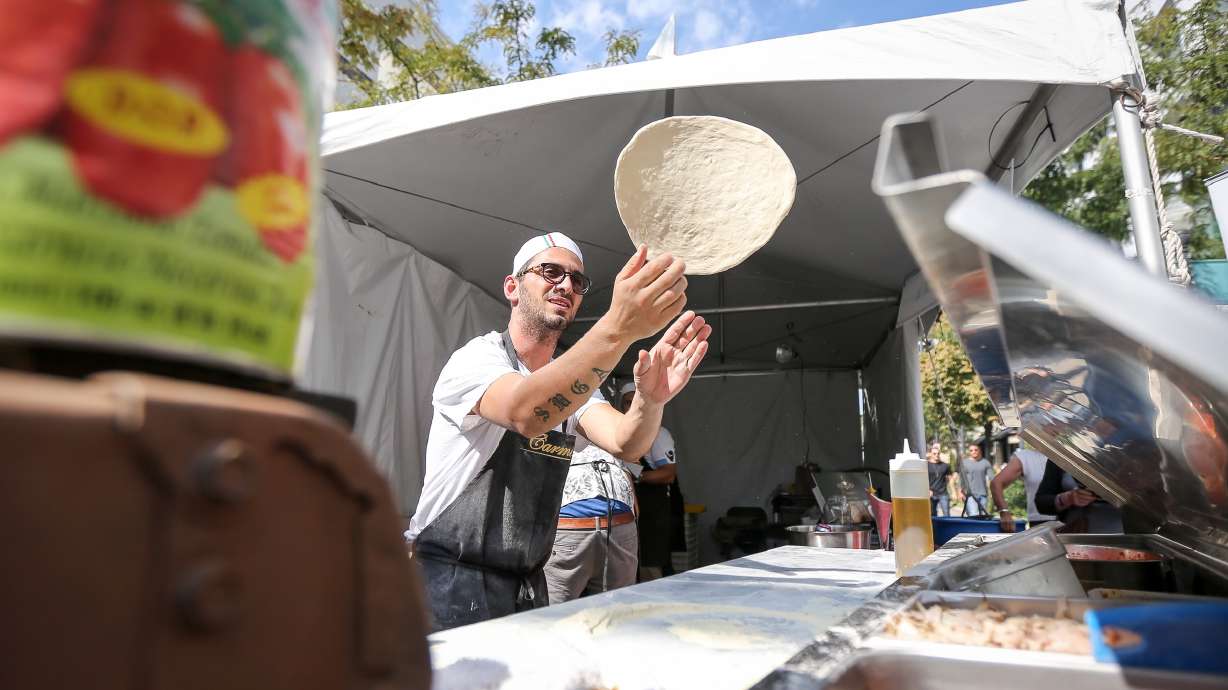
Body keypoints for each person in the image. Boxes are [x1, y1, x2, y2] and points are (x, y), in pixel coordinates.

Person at [405, 233, 712, 631]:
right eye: (550, 272)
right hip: (449, 581)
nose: (565, 285)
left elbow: (626, 442)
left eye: (577, 281)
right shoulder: (478, 359)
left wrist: (650, 400)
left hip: (526, 585)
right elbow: (525, 412)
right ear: (512, 288)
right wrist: (618, 326)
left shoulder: (577, 385)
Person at [543, 439, 640, 603]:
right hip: (618, 522)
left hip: (568, 525)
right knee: (616, 613)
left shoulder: (546, 436)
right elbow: (635, 508)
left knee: (552, 616)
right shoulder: (611, 440)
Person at [621, 382, 678, 581]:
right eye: (626, 403)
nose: (629, 408)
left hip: (652, 511)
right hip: (629, 512)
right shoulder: (616, 433)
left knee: (650, 566)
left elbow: (668, 474)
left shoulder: (658, 434)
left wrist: (635, 476)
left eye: (633, 403)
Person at [1034, 459, 1123, 533]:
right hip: (1076, 538)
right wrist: (1068, 498)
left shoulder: (1131, 449)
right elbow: (1041, 503)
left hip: (1125, 538)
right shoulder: (1062, 454)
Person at [990, 442, 1056, 528]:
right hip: (1041, 522)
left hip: (1073, 519)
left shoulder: (1067, 455)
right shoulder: (1026, 457)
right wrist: (1004, 512)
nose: (1055, 429)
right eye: (1049, 427)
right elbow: (996, 483)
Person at [959, 444, 993, 516]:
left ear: (979, 450)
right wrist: (960, 491)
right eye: (971, 450)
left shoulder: (985, 463)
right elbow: (961, 479)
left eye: (975, 450)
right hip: (970, 495)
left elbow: (992, 478)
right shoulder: (964, 463)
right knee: (973, 515)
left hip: (983, 494)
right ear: (969, 452)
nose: (973, 452)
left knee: (983, 516)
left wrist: (993, 491)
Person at [927, 441, 955, 517]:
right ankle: (935, 529)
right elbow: (921, 480)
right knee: (932, 515)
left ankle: (948, 528)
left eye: (938, 453)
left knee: (946, 514)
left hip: (943, 493)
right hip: (931, 493)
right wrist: (926, 490)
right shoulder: (926, 465)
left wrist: (953, 492)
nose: (937, 455)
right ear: (930, 454)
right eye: (934, 453)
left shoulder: (945, 465)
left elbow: (950, 478)